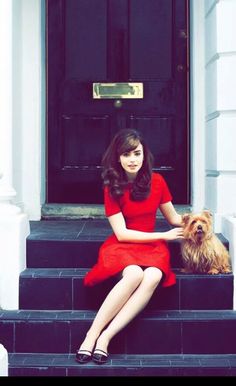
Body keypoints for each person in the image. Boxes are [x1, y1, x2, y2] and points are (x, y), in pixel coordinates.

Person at [76, 128, 183, 364]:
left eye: (137, 153)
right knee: (134, 273)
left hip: (153, 246)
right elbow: (122, 234)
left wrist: (199, 222)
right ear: (117, 158)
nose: (132, 159)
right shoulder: (111, 186)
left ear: (145, 155)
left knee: (153, 274)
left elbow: (174, 218)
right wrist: (163, 235)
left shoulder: (158, 181)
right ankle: (91, 334)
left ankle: (105, 337)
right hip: (124, 244)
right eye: (126, 155)